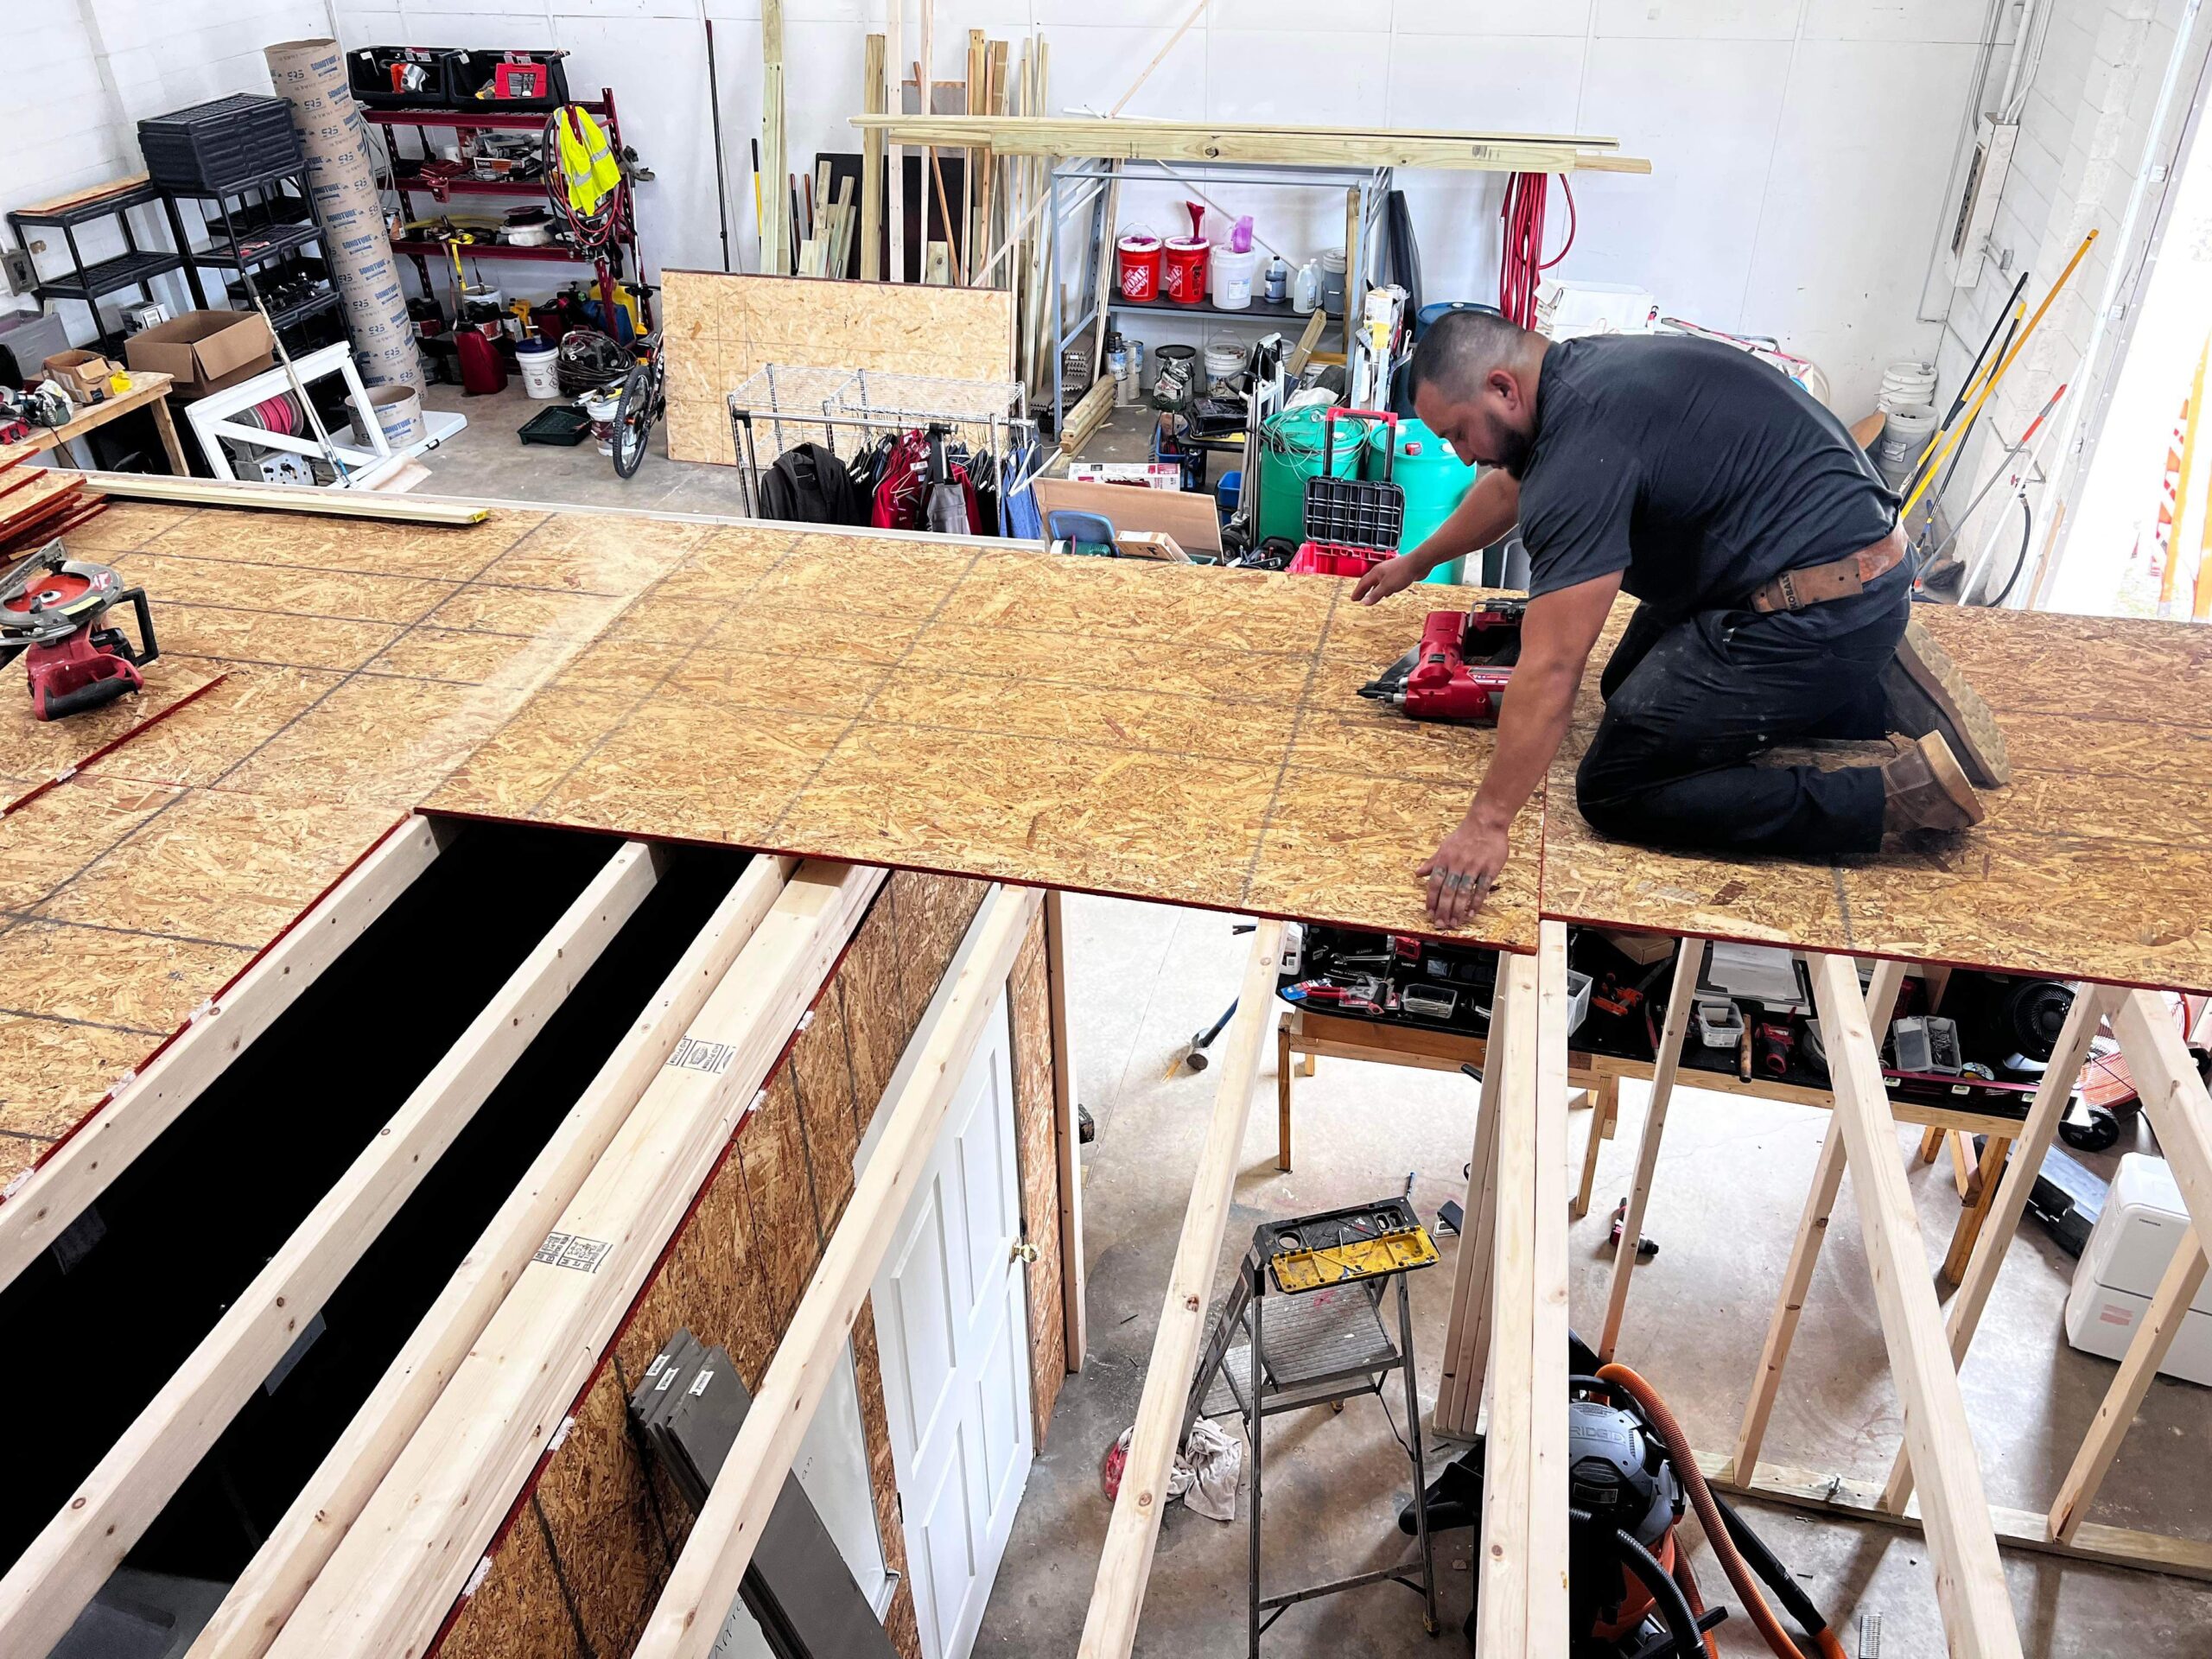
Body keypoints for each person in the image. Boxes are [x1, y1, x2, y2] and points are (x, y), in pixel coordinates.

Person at [1352, 311, 1986, 930]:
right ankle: (1865, 693)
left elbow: (1552, 670)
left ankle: (1893, 794)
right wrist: (1417, 561)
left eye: (1459, 434)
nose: (1461, 457)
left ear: (1501, 388)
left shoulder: (1581, 448)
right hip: (1824, 559)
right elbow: (1510, 487)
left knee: (1619, 786)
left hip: (1824, 606)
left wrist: (1487, 823)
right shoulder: (1576, 378)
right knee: (1624, 689)